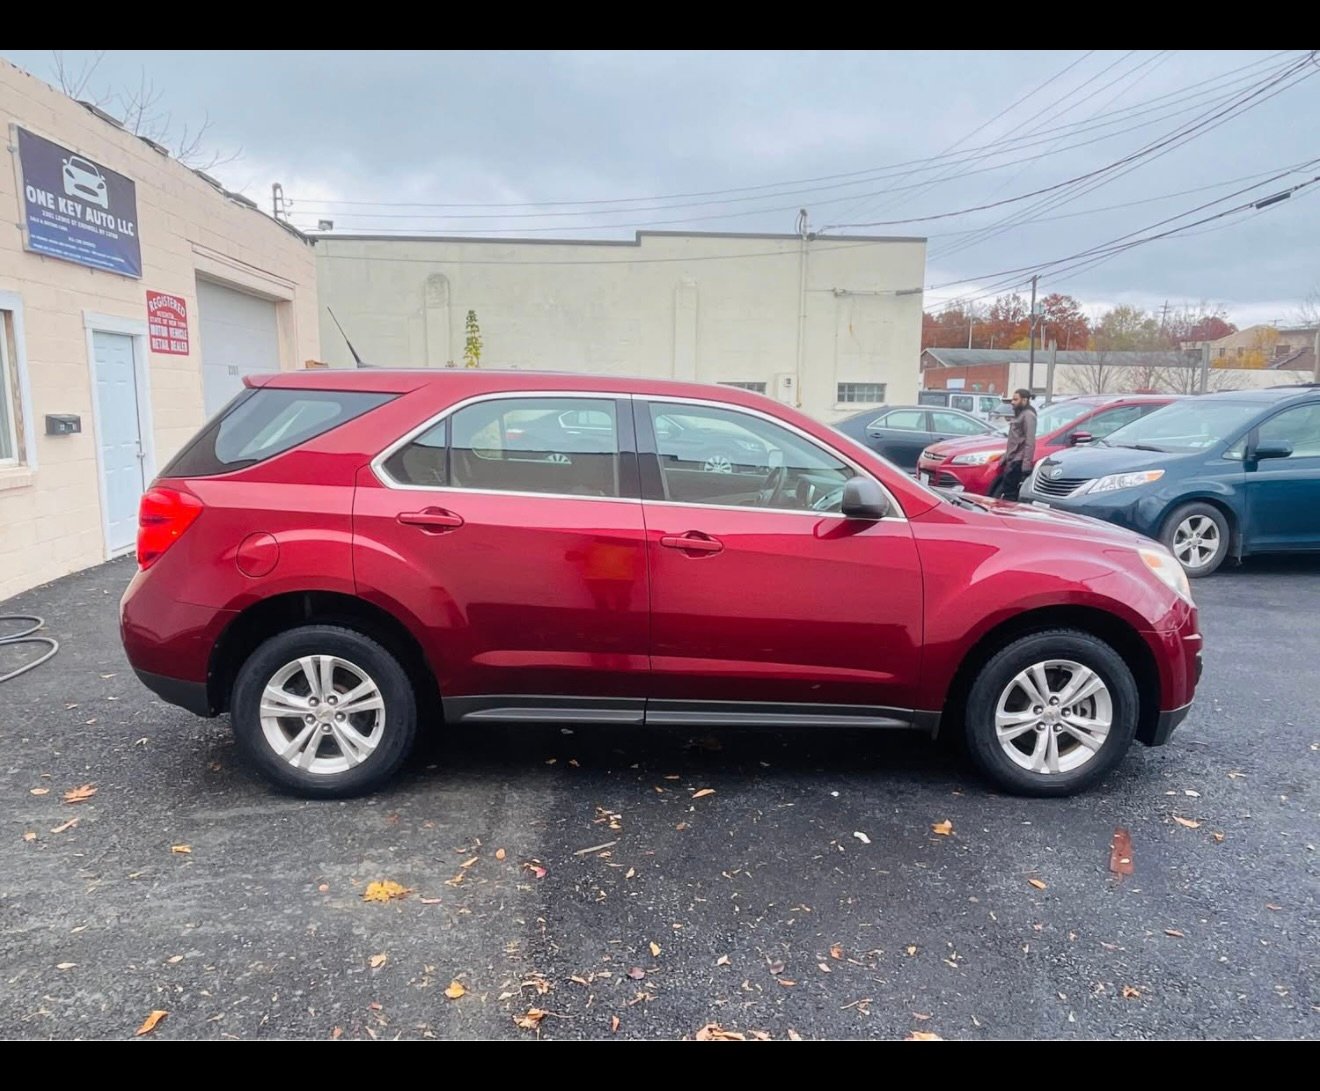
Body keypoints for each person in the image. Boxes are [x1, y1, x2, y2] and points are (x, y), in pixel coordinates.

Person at [1000, 388, 1037, 501]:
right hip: (1012, 459)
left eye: (1016, 400)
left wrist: (1025, 466)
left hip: (1018, 461)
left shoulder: (1028, 415)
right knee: (1006, 492)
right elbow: (1014, 440)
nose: (1012, 402)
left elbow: (1030, 441)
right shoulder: (1020, 414)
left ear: (1024, 400)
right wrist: (1005, 457)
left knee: (1010, 495)